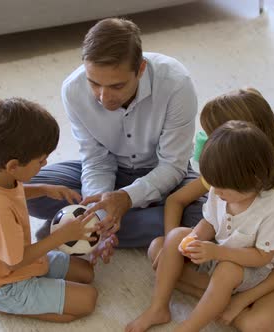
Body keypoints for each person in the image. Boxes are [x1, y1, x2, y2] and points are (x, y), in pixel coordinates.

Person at [27, 18, 205, 257]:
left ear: (140, 69)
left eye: (117, 86)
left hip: (164, 174)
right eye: (94, 84)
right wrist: (99, 212)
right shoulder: (73, 90)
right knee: (26, 190)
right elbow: (96, 160)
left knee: (208, 213)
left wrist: (127, 198)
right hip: (111, 170)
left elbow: (172, 166)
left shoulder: (176, 84)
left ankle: (71, 228)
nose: (103, 98)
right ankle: (96, 227)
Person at [148, 88, 274, 331]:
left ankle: (224, 296)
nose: (208, 145)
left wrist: (242, 300)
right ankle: (218, 294)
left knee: (256, 324)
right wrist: (177, 251)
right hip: (233, 249)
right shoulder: (223, 169)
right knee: (160, 250)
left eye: (213, 136)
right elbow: (176, 201)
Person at [126, 120, 274, 332]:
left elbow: (262, 257)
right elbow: (210, 222)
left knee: (227, 271)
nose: (216, 192)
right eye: (213, 185)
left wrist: (218, 252)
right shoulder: (218, 192)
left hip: (253, 269)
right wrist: (193, 238)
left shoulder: (272, 208)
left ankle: (190, 326)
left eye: (222, 188)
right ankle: (158, 308)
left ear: (254, 179)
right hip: (218, 252)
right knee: (172, 238)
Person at [0, 97, 99, 322]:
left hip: (14, 261)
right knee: (87, 300)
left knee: (87, 273)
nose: (45, 165)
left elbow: (13, 194)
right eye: (41, 161)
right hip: (5, 283)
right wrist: (61, 237)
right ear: (13, 166)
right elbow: (15, 261)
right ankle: (1, 304)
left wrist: (44, 189)